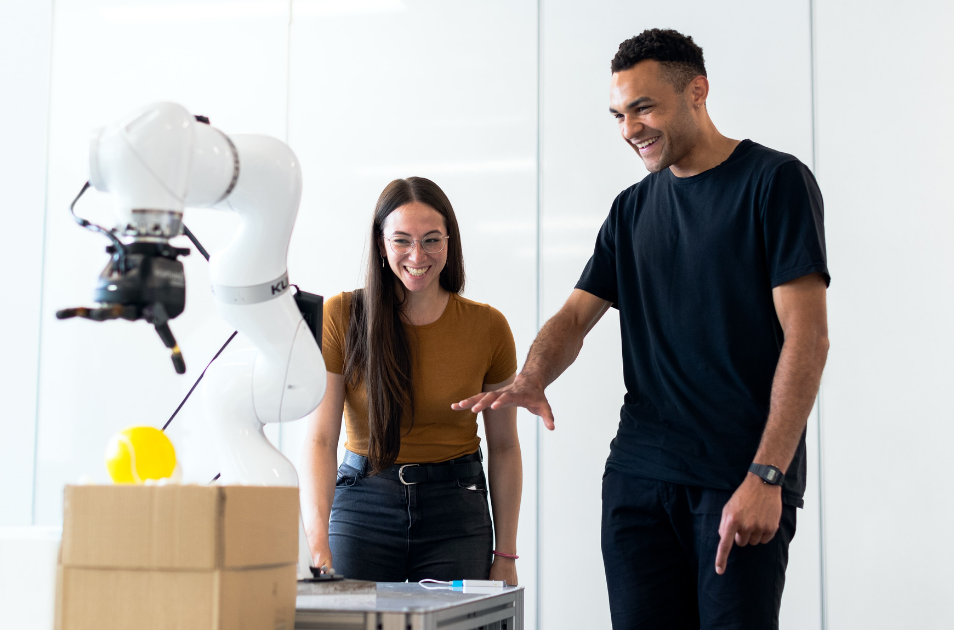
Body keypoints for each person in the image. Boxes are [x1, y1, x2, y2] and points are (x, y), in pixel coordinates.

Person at [454, 29, 829, 628]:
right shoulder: (631, 210)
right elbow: (575, 317)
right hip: (638, 481)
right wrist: (531, 376)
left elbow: (808, 339)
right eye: (619, 114)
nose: (630, 128)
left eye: (644, 107)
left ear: (698, 92)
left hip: (738, 480)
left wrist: (768, 474)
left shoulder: (774, 183)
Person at [300, 176, 522, 585]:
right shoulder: (341, 315)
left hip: (457, 507)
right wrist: (316, 540)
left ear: (449, 242)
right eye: (401, 240)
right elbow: (320, 439)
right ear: (381, 244)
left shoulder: (488, 327)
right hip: (364, 501)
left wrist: (505, 553)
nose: (417, 255)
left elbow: (505, 446)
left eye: (431, 239)